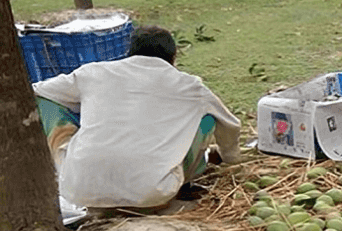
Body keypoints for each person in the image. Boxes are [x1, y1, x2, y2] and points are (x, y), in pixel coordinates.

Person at [32, 25, 242, 211]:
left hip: (81, 189)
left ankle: (70, 168)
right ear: (173, 58)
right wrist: (231, 159)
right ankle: (186, 184)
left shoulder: (92, 73)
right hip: (152, 193)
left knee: (45, 103)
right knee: (206, 121)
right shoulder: (190, 86)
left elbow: (37, 90)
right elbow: (231, 124)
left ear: (129, 53)